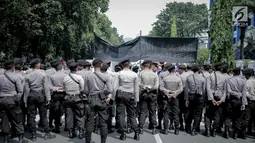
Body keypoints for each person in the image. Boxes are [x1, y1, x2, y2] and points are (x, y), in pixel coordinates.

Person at [24, 58, 55, 141]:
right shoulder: (43, 74)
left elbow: (26, 89)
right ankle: (47, 133)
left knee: (31, 115)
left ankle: (33, 134)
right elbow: (46, 88)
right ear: (37, 65)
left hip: (31, 95)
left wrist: (25, 100)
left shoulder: (27, 75)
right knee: (43, 115)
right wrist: (48, 98)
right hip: (40, 95)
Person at [84, 59, 112, 143]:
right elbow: (110, 90)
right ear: (101, 65)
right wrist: (102, 93)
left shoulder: (88, 76)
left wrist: (90, 93)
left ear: (93, 65)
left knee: (90, 121)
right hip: (101, 100)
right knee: (103, 122)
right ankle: (103, 141)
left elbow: (85, 90)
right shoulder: (106, 76)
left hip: (91, 99)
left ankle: (88, 140)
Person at [0, 60, 27, 143]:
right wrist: (17, 99)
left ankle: (5, 139)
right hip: (12, 100)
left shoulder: (0, 77)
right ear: (12, 68)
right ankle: (20, 139)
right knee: (18, 120)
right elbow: (20, 91)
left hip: (2, 100)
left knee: (4, 120)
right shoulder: (16, 77)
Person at [114, 59, 140, 141]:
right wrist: (137, 99)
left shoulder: (119, 73)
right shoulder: (134, 75)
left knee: (121, 114)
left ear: (122, 65)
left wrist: (112, 98)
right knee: (132, 115)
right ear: (129, 65)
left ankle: (123, 133)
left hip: (121, 94)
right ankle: (136, 133)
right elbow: (136, 89)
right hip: (131, 95)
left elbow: (115, 87)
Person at [203, 63, 228, 137]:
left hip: (211, 97)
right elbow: (225, 90)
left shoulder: (210, 76)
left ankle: (207, 131)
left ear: (214, 68)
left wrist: (211, 98)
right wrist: (222, 100)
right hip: (220, 98)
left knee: (208, 114)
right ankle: (214, 131)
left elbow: (208, 88)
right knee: (218, 115)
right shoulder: (224, 77)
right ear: (221, 69)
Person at [63, 62, 86, 139]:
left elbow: (64, 88)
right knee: (80, 115)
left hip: (68, 98)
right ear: (76, 68)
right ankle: (81, 132)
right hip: (77, 98)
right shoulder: (79, 77)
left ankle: (71, 132)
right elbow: (82, 89)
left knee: (69, 115)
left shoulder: (65, 78)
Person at [224, 67, 247, 139]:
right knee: (238, 117)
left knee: (228, 116)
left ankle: (227, 132)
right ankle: (235, 134)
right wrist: (243, 103)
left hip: (231, 100)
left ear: (233, 72)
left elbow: (229, 91)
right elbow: (244, 93)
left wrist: (236, 94)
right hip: (239, 101)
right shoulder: (243, 81)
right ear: (239, 72)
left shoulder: (229, 80)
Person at [160, 64, 183, 135]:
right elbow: (181, 89)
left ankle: (166, 129)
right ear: (174, 69)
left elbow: (161, 88)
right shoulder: (178, 78)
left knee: (166, 112)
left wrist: (167, 92)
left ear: (168, 70)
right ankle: (177, 129)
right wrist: (175, 93)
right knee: (176, 113)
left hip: (167, 97)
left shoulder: (165, 78)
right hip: (175, 97)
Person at [138, 60, 159, 135]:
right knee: (153, 112)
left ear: (143, 65)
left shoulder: (141, 73)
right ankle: (153, 128)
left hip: (144, 94)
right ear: (150, 66)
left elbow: (138, 83)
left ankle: (140, 128)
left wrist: (144, 86)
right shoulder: (155, 75)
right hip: (152, 95)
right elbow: (156, 86)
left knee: (143, 112)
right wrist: (150, 88)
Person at [184, 65, 205, 136]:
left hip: (191, 97)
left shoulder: (189, 78)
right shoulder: (203, 78)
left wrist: (186, 99)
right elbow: (204, 90)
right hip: (200, 97)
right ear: (198, 70)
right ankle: (194, 129)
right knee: (197, 114)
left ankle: (188, 128)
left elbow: (186, 90)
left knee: (189, 113)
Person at [49, 60, 67, 133]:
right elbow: (67, 86)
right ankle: (65, 125)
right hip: (64, 94)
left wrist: (56, 89)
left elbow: (50, 86)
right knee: (64, 110)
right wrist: (62, 89)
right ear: (61, 67)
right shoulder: (65, 75)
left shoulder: (52, 76)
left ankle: (56, 126)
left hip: (55, 94)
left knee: (55, 110)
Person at [243, 68, 255, 136]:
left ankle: (244, 132)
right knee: (253, 117)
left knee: (247, 117)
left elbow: (245, 93)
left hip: (250, 101)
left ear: (247, 75)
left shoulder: (247, 82)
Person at [177, 65, 189, 131]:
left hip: (180, 94)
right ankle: (187, 125)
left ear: (181, 69)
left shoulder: (180, 76)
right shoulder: (189, 75)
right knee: (186, 111)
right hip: (187, 94)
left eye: (179, 69)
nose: (178, 70)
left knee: (180, 111)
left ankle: (181, 125)